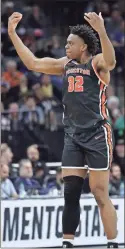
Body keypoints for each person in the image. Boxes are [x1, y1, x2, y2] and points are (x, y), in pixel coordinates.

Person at [8, 12, 118, 248]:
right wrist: (12, 34)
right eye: (66, 42)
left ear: (84, 47)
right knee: (70, 192)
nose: (66, 46)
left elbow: (111, 61)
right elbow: (33, 63)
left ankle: (112, 242)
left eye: (71, 43)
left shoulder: (97, 63)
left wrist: (102, 31)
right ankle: (67, 242)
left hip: (98, 133)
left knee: (100, 194)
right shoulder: (64, 65)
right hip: (73, 136)